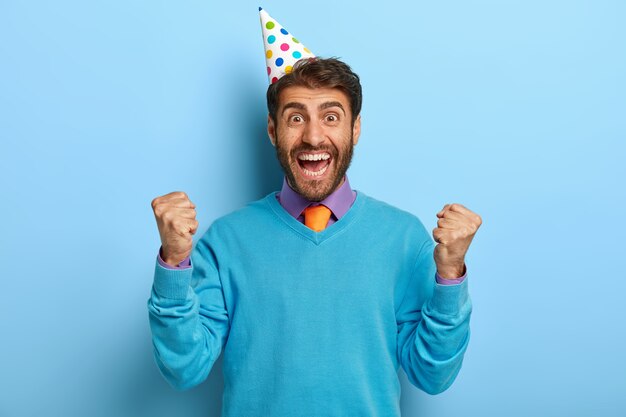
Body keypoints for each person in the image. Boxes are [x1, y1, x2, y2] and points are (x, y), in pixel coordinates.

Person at [147, 9, 482, 417]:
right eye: (295, 118)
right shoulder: (225, 242)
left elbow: (433, 376)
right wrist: (174, 263)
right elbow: (185, 368)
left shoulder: (404, 238)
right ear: (273, 131)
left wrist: (449, 275)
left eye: (330, 116)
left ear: (354, 129)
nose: (313, 136)